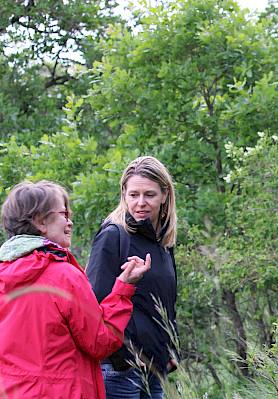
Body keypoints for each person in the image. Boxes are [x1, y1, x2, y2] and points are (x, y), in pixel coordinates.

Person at [0, 181, 151, 399]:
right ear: (40, 222)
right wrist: (124, 287)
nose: (70, 222)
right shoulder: (65, 276)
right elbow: (100, 342)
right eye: (64, 214)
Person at [87, 156, 179, 399]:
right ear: (124, 195)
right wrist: (123, 358)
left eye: (149, 195)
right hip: (119, 371)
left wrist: (169, 351)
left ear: (164, 195)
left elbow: (166, 304)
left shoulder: (163, 243)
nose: (141, 203)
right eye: (133, 194)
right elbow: (94, 305)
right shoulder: (113, 235)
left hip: (155, 370)